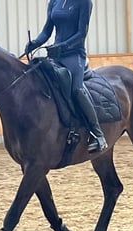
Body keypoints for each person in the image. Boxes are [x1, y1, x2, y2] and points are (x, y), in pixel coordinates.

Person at [25, 0, 108, 152]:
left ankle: (98, 134)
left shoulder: (84, 3)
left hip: (74, 54)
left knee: (76, 90)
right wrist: (35, 43)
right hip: (55, 55)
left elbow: (81, 33)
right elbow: (47, 30)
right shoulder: (54, 2)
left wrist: (63, 46)